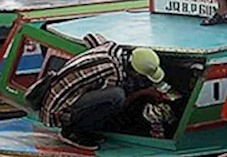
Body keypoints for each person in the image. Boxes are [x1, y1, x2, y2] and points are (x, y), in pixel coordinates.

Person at [29, 34, 173, 150]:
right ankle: (72, 132)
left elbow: (91, 37)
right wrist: (144, 93)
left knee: (113, 95)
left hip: (56, 95)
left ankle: (86, 127)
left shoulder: (111, 48)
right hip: (57, 110)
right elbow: (122, 104)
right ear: (134, 71)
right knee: (117, 96)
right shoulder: (113, 72)